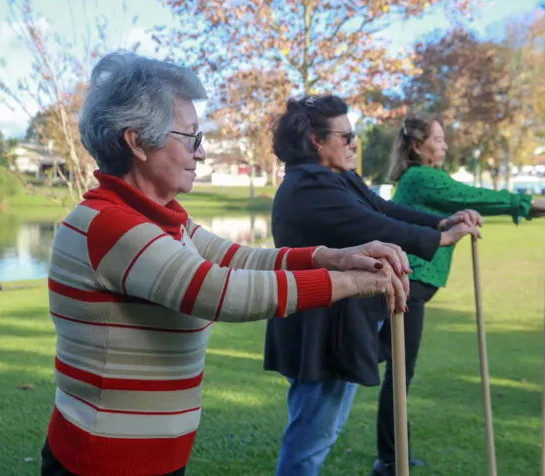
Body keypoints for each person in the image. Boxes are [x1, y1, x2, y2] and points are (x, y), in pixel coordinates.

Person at [39, 51, 411, 476]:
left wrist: (329, 256)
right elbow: (220, 291)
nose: (202, 152)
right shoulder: (110, 225)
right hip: (103, 463)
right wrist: (351, 282)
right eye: (191, 137)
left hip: (146, 457)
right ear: (137, 141)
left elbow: (238, 259)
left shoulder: (159, 218)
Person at [263, 96, 481, 476]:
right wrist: (438, 241)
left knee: (318, 429)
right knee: (312, 437)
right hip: (320, 331)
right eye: (347, 136)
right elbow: (376, 227)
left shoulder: (335, 177)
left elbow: (383, 209)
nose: (354, 143)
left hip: (338, 323)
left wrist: (440, 224)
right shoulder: (308, 188)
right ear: (316, 139)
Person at [373, 113, 545, 474]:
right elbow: (469, 195)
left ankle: (392, 453)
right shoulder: (420, 177)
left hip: (414, 286)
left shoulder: (425, 177)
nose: (445, 146)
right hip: (408, 285)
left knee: (397, 368)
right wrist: (526, 205)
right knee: (397, 370)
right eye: (439, 139)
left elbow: (463, 201)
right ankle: (389, 458)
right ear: (418, 146)